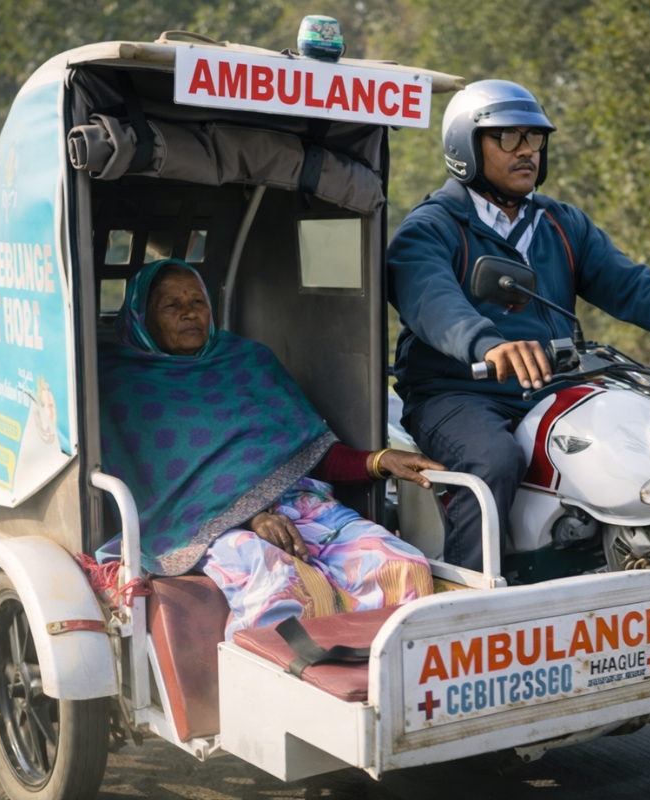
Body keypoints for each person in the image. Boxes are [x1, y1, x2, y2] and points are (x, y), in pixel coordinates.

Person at [388, 80, 650, 572]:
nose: (526, 150)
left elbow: (629, 285)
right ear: (465, 146)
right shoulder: (431, 227)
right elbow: (431, 301)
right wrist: (487, 345)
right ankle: (472, 603)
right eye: (508, 138)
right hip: (460, 393)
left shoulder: (560, 223)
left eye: (534, 139)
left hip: (554, 381)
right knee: (492, 461)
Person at [97, 259, 440, 640]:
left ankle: (384, 678)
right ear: (141, 318)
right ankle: (275, 692)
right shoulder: (123, 385)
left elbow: (310, 452)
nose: (190, 313)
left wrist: (379, 461)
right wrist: (248, 518)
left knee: (401, 564)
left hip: (300, 504)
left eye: (198, 302)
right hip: (204, 528)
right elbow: (155, 488)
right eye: (172, 306)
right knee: (285, 590)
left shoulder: (248, 361)